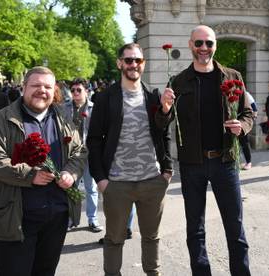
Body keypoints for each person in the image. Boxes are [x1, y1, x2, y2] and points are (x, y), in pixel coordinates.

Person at [157, 25, 253, 275]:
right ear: (190, 45)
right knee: (195, 230)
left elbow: (248, 113)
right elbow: (161, 125)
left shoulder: (232, 77)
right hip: (193, 165)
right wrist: (165, 109)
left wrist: (241, 126)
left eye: (208, 43)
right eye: (198, 43)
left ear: (215, 46)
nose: (204, 48)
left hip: (226, 161)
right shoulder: (177, 81)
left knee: (235, 229)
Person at [0, 66, 87, 276]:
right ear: (24, 87)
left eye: (47, 86)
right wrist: (30, 175)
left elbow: (79, 151)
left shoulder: (63, 118)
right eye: (36, 85)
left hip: (56, 216)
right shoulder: (2, 119)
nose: (42, 90)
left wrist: (71, 173)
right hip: (16, 218)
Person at [86, 43, 173, 275]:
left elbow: (164, 133)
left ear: (143, 64)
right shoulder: (105, 98)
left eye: (137, 60)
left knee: (151, 237)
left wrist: (167, 171)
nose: (133, 64)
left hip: (152, 181)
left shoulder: (153, 95)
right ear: (119, 63)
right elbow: (93, 140)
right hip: (117, 183)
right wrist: (101, 179)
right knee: (114, 239)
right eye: (128, 60)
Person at [62, 78, 103, 233]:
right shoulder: (64, 108)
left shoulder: (95, 108)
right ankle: (71, 219)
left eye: (79, 90)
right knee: (71, 187)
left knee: (91, 188)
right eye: (73, 90)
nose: (75, 93)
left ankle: (92, 220)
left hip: (89, 154)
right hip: (71, 155)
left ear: (87, 91)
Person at [240, 91, 258, 170]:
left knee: (244, 142)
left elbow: (254, 108)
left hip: (242, 121)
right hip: (231, 121)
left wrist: (250, 119)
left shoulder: (245, 94)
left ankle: (248, 162)